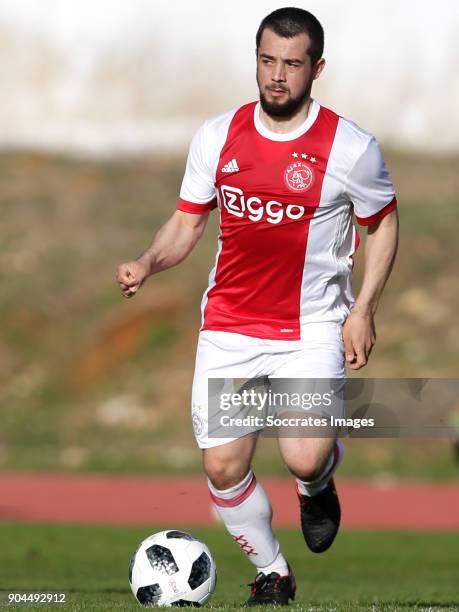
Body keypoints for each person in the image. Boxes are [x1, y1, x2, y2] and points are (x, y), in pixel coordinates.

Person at [116, 7, 399, 606]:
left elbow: (384, 223)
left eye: (292, 64)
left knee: (302, 456)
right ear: (256, 60)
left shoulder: (350, 148)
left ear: (316, 68)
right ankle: (274, 572)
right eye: (268, 61)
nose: (277, 76)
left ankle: (317, 481)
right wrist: (146, 262)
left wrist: (364, 307)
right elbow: (186, 224)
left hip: (312, 324)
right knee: (222, 467)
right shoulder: (218, 136)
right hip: (230, 327)